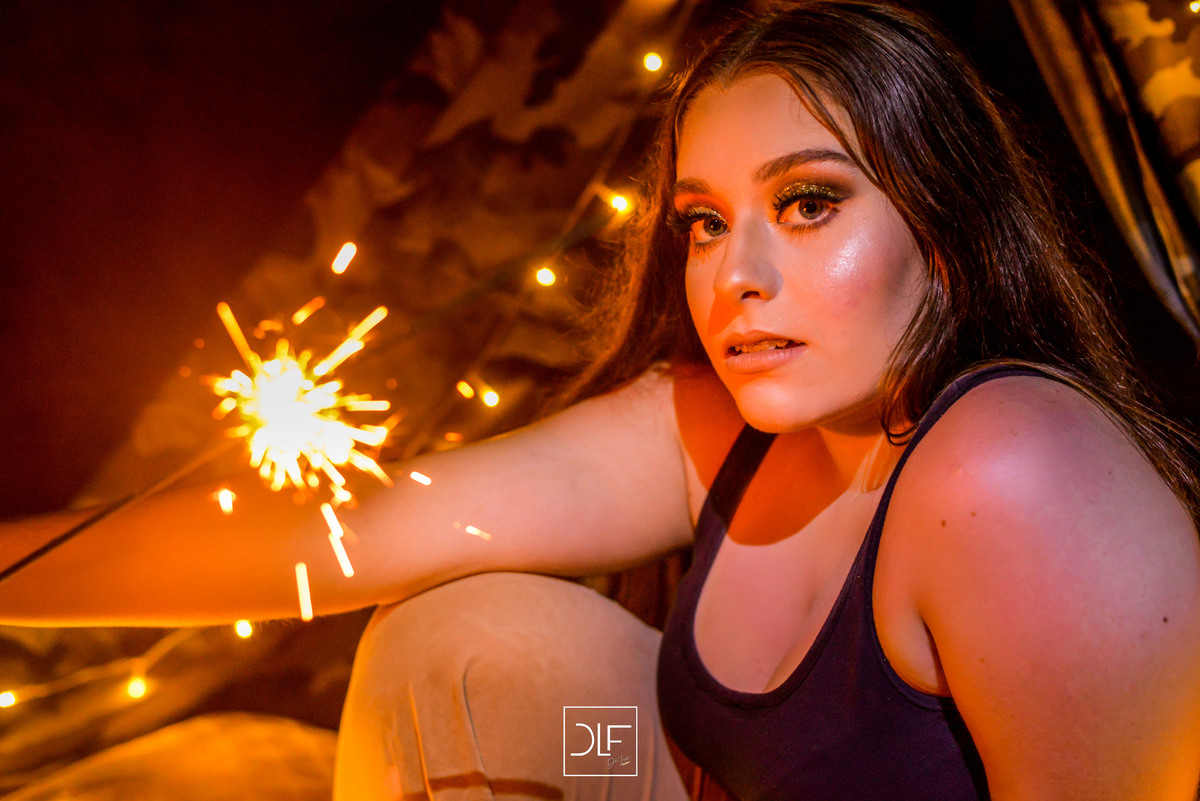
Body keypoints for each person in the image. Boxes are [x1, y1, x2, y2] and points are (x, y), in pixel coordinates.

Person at [2, 1, 1199, 799]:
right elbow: (348, 534)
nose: (736, 275)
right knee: (470, 647)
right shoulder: (716, 429)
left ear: (945, 234)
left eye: (808, 204)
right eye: (705, 222)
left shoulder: (1018, 473)